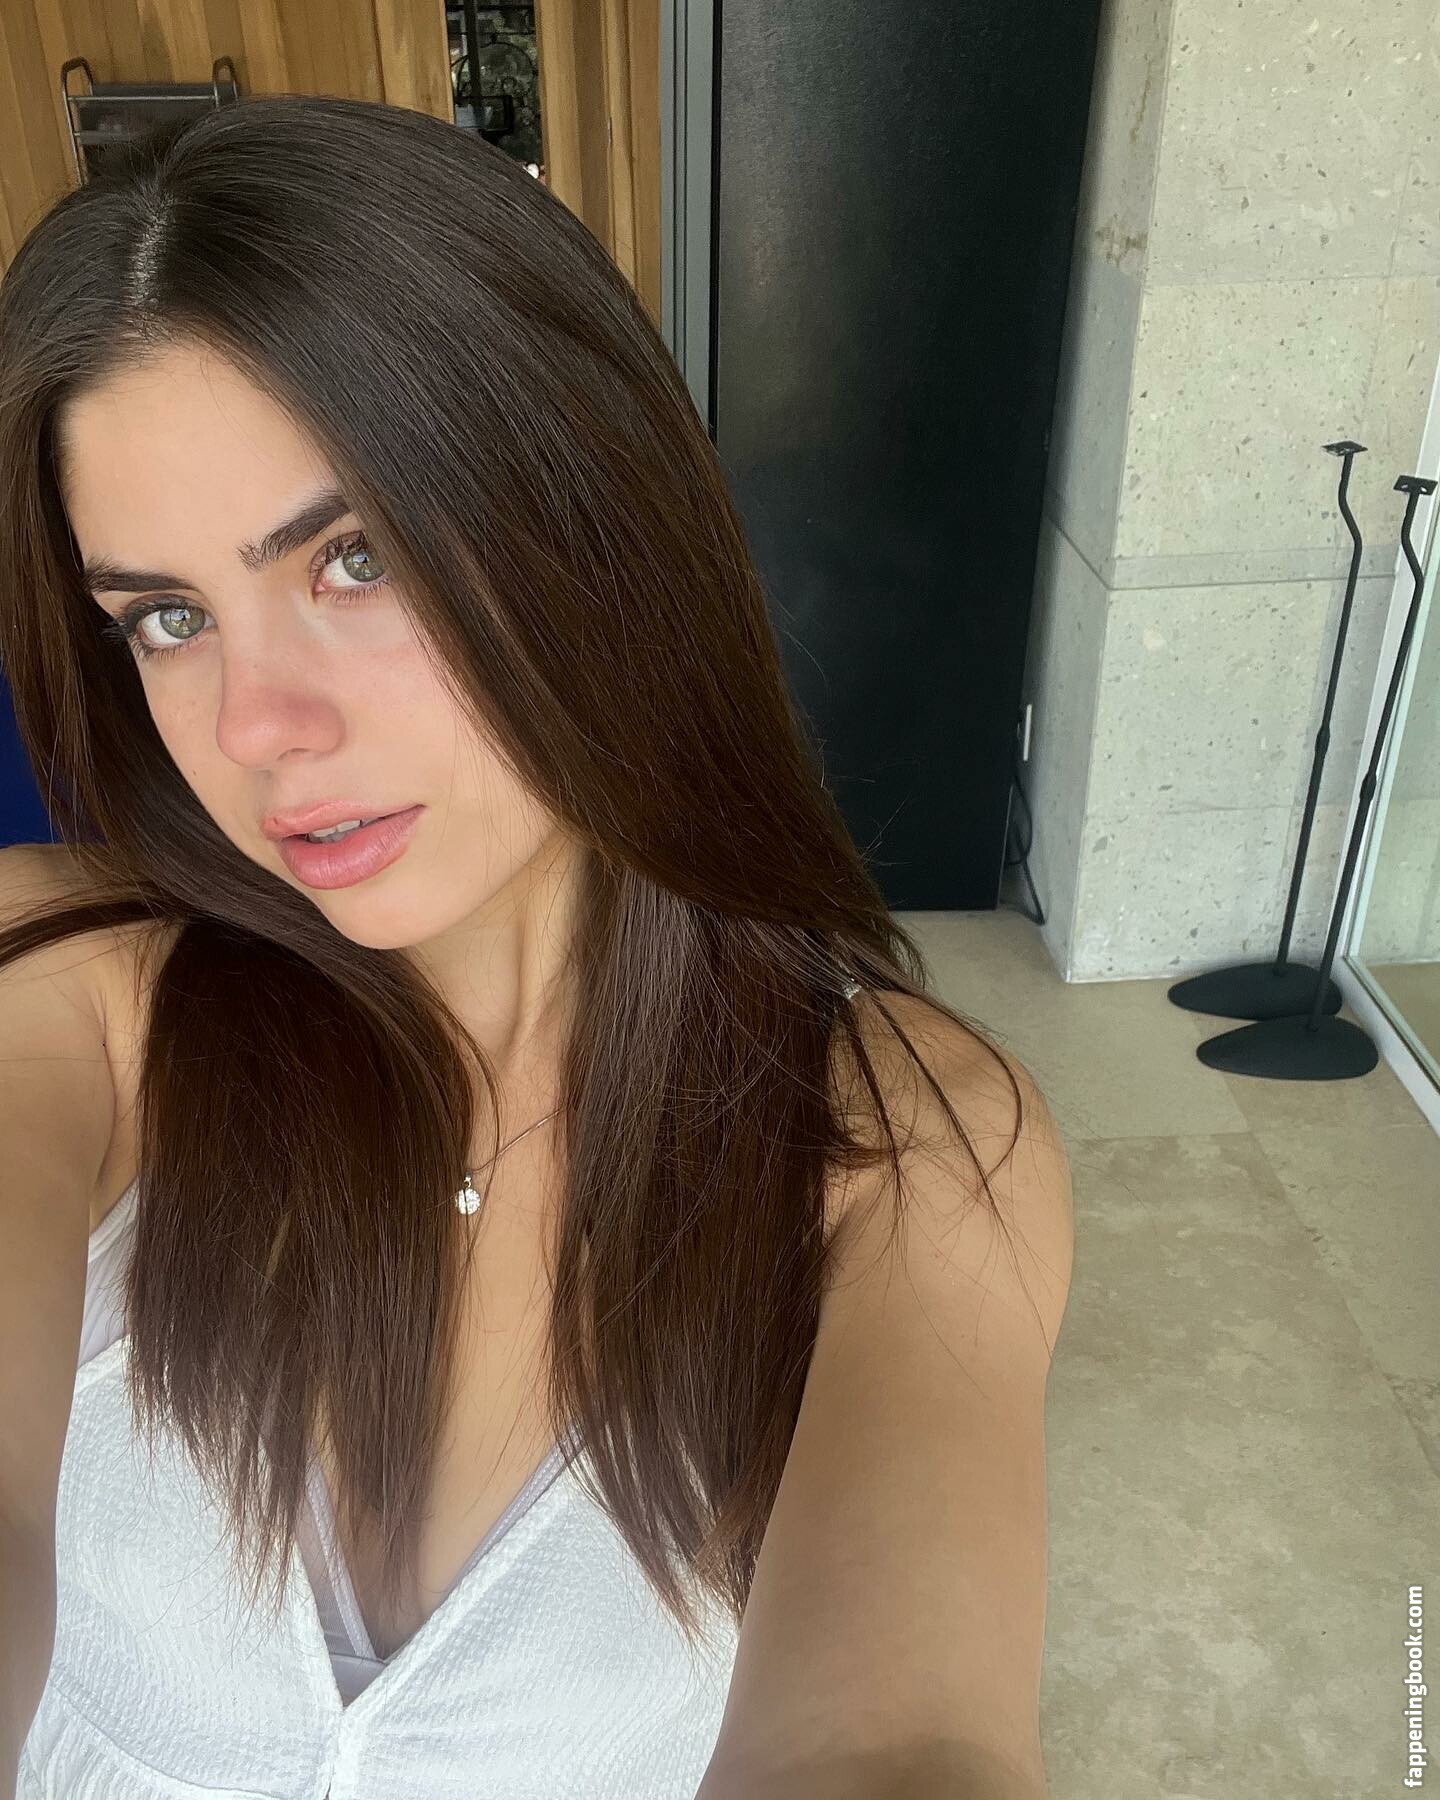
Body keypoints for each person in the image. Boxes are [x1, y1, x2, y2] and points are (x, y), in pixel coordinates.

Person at [0, 95, 1073, 1800]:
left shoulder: (896, 1144)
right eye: (169, 617)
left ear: (594, 525)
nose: (258, 726)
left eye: (355, 558)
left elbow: (902, 1738)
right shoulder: (69, 990)